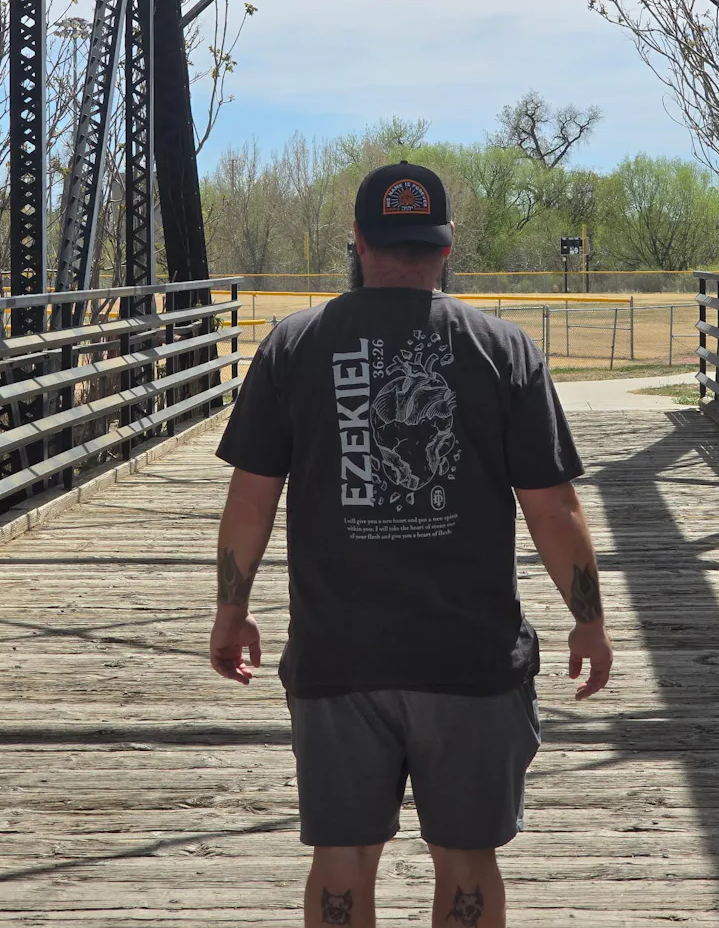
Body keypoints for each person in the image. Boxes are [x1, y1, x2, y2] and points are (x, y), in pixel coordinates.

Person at [210, 161, 613, 928]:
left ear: (358, 240)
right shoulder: (505, 349)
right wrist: (588, 618)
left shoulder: (293, 346)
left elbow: (250, 497)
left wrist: (231, 610)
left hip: (338, 657)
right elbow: (553, 509)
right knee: (467, 862)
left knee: (340, 860)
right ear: (447, 244)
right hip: (469, 659)